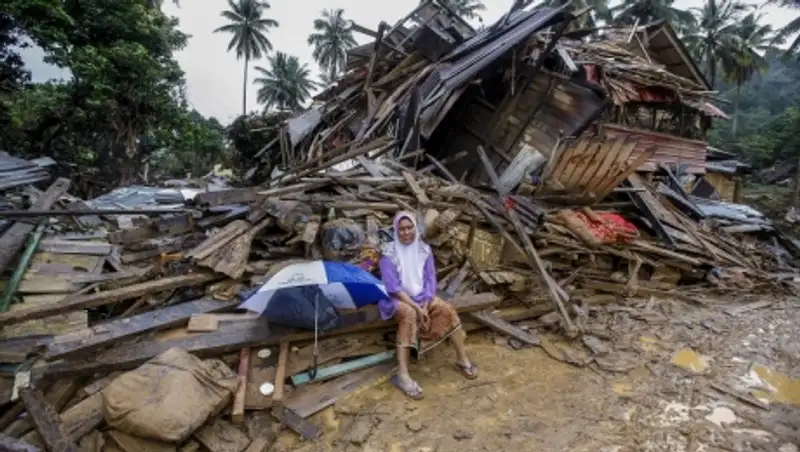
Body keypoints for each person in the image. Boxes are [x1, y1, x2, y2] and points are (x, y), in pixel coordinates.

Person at [378, 211, 477, 400]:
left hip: (422, 297)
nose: (406, 233)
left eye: (409, 228)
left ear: (415, 228)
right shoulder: (388, 253)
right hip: (397, 299)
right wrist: (416, 309)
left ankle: (462, 359)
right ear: (396, 231)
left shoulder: (423, 249)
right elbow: (393, 287)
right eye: (402, 229)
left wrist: (424, 305)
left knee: (445, 309)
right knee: (408, 315)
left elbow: (430, 280)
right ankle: (403, 375)